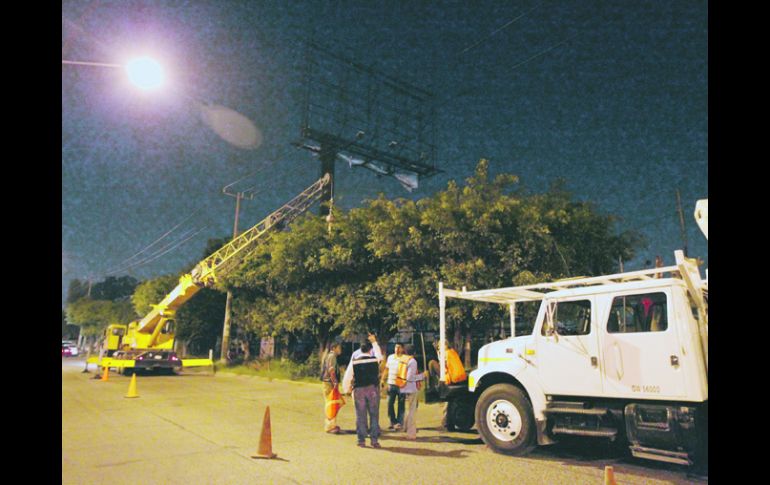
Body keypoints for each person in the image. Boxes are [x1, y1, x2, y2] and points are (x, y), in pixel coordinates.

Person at [342, 333, 384, 448]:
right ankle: (374, 440)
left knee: (360, 415)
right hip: (372, 389)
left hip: (359, 390)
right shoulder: (375, 360)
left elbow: (348, 376)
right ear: (370, 350)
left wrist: (346, 389)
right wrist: (374, 342)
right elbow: (380, 356)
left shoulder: (354, 361)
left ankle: (361, 440)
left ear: (360, 349)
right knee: (374, 415)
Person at [399, 344, 429, 440]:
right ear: (414, 353)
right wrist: (422, 376)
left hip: (403, 387)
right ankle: (411, 433)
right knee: (412, 411)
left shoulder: (403, 360)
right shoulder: (412, 361)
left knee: (409, 409)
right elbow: (410, 378)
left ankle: (405, 428)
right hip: (411, 388)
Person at [320, 342, 344, 434]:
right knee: (331, 404)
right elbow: (331, 370)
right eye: (339, 348)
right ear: (334, 348)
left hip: (327, 382)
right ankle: (330, 426)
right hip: (329, 383)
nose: (340, 350)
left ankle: (331, 424)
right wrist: (335, 382)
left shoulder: (329, 356)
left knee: (331, 404)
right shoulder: (332, 356)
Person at [381, 343, 406, 431]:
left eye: (399, 347)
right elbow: (386, 369)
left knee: (401, 404)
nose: (397, 349)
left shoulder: (405, 359)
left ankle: (399, 422)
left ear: (402, 349)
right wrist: (382, 379)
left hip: (401, 384)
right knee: (389, 403)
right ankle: (392, 421)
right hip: (391, 383)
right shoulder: (390, 357)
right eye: (396, 347)